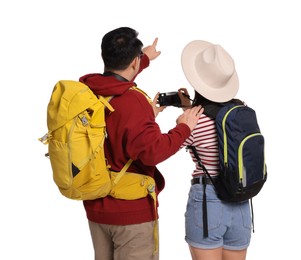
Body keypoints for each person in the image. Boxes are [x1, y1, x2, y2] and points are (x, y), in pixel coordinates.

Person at [79, 27, 203, 260]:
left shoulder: (89, 91)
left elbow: (111, 123)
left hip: (96, 209)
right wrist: (184, 126)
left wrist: (143, 58)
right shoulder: (134, 101)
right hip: (131, 213)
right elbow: (152, 152)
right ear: (133, 63)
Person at [179, 40, 252, 260]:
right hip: (241, 201)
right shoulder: (242, 111)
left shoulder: (194, 122)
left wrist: (183, 121)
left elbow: (165, 146)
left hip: (208, 201)